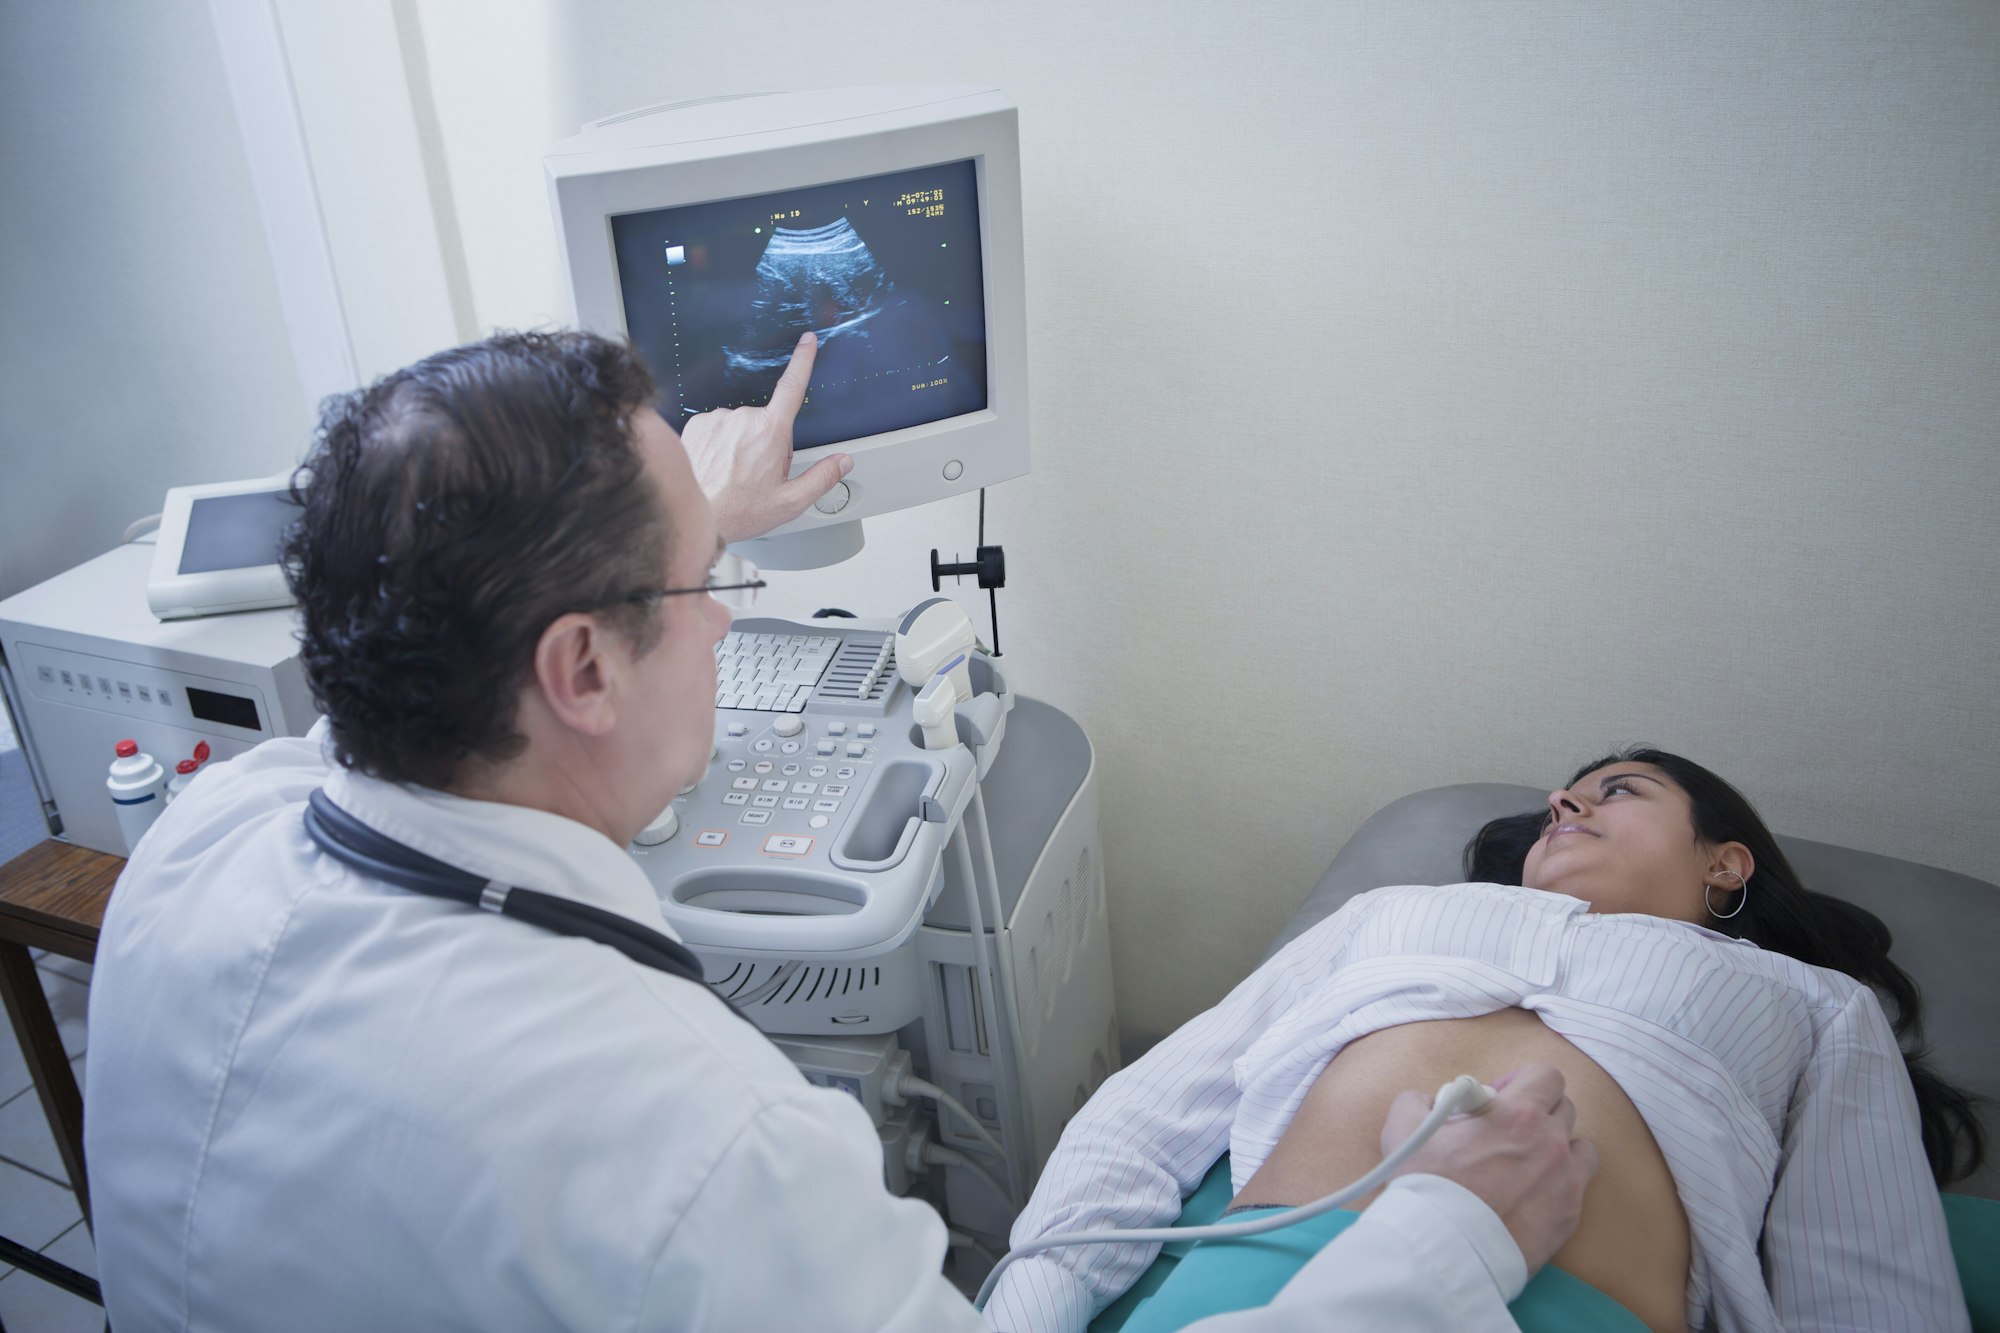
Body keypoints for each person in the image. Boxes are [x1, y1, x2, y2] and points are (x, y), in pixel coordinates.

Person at [86, 328, 1592, 1332]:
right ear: (583, 667)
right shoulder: (706, 1154)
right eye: (706, 588)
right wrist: (1437, 1244)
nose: (726, 615)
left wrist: (694, 517)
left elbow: (451, 529)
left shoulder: (200, 852)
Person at [987, 750, 1981, 1333]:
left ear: (1725, 863)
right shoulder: (1394, 912)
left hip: (1574, 1310)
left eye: (1619, 790)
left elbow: (1865, 1276)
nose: (1566, 800)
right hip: (1266, 1282)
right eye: (1564, 795)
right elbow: (1144, 1122)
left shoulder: (1807, 1001)